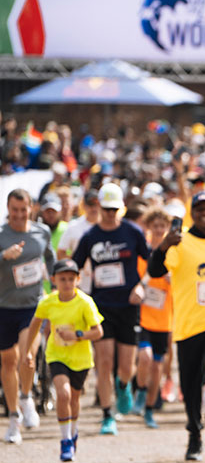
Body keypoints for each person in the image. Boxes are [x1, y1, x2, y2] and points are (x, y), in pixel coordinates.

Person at [148, 192, 205, 461]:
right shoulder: (180, 241)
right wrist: (164, 245)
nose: (204, 213)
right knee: (190, 384)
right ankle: (194, 433)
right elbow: (155, 272)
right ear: (192, 212)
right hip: (187, 324)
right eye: (198, 208)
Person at [71, 183, 150, 435]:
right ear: (98, 208)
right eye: (105, 209)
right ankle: (107, 415)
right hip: (101, 305)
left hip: (128, 305)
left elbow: (153, 263)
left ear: (122, 208)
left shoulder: (133, 232)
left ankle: (124, 385)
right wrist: (78, 294)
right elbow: (73, 267)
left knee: (126, 365)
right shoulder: (90, 236)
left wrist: (141, 285)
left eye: (114, 209)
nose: (109, 214)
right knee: (104, 362)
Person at [20, 260, 103, 461]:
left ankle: (73, 433)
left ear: (78, 279)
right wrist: (27, 352)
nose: (67, 283)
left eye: (71, 279)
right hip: (56, 355)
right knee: (63, 394)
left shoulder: (85, 302)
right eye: (62, 279)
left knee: (74, 398)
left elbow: (98, 332)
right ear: (54, 280)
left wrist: (77, 334)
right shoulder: (47, 302)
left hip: (81, 358)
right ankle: (65, 441)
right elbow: (34, 326)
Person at [1, 188, 55, 443]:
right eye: (15, 211)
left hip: (32, 306)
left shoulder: (41, 232)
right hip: (4, 307)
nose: (20, 215)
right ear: (8, 209)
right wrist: (4, 257)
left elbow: (50, 258)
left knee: (28, 356)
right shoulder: (1, 235)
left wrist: (56, 287)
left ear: (31, 208)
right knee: (8, 362)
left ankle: (26, 396)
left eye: (24, 210)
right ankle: (13, 419)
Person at [135, 209, 175, 429]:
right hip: (143, 315)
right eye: (156, 226)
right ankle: (140, 391)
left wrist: (172, 280)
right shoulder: (144, 252)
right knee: (144, 357)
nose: (159, 230)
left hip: (164, 317)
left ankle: (149, 409)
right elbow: (137, 276)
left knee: (158, 367)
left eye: (163, 226)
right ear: (149, 227)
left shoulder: (173, 254)